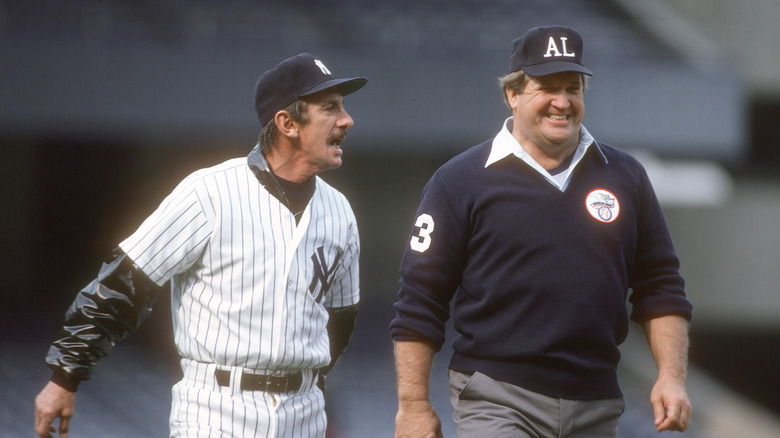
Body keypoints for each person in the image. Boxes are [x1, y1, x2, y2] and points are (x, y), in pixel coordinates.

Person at [34, 53, 367, 438]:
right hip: (217, 410)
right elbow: (122, 284)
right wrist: (65, 376)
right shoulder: (209, 192)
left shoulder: (340, 211)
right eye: (330, 108)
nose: (346, 119)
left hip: (304, 416)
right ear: (287, 123)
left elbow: (340, 320)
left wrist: (307, 379)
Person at [390, 26, 693, 437]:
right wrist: (413, 405)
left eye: (573, 87)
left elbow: (660, 286)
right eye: (546, 87)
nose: (562, 102)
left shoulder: (625, 175)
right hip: (497, 396)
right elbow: (420, 299)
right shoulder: (458, 180)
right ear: (512, 94)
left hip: (597, 402)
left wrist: (671, 377)